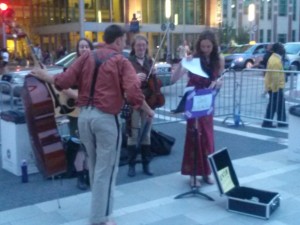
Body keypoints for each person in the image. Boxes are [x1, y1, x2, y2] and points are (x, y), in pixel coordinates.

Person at [30, 24, 154, 225]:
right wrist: (147, 110)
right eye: (124, 40)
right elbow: (133, 93)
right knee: (107, 170)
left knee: (96, 168)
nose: (125, 44)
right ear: (118, 40)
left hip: (84, 117)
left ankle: (100, 214)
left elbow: (65, 80)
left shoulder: (87, 56)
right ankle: (101, 218)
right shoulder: (121, 61)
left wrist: (47, 77)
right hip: (105, 119)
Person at [171, 30, 224, 187]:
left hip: (207, 102)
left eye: (208, 46)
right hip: (193, 101)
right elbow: (174, 78)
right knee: (194, 136)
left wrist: (219, 82)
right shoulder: (193, 59)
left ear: (213, 46)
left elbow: (219, 78)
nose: (206, 49)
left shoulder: (218, 60)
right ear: (199, 46)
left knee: (207, 137)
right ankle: (193, 174)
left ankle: (206, 172)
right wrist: (182, 63)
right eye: (203, 46)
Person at [61, 37, 94, 190]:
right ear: (78, 50)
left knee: (89, 144)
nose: (84, 49)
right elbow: (63, 86)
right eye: (81, 47)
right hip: (75, 111)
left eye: (86, 46)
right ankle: (80, 176)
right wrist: (80, 96)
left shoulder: (95, 67)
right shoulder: (71, 67)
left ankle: (87, 174)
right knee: (78, 144)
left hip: (90, 109)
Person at [126, 34, 160, 177]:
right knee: (133, 134)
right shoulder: (128, 62)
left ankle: (146, 164)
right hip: (134, 101)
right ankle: (131, 165)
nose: (141, 47)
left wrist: (154, 74)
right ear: (133, 47)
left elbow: (154, 84)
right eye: (138, 45)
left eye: (143, 45)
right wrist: (134, 78)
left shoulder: (150, 61)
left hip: (148, 100)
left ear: (146, 47)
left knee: (146, 134)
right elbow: (123, 82)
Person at [262, 42, 287, 128]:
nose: (284, 49)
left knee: (280, 105)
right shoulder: (275, 61)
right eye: (282, 48)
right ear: (278, 50)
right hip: (275, 87)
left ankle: (281, 121)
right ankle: (267, 122)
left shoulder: (274, 58)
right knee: (273, 105)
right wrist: (275, 90)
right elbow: (275, 77)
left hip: (274, 87)